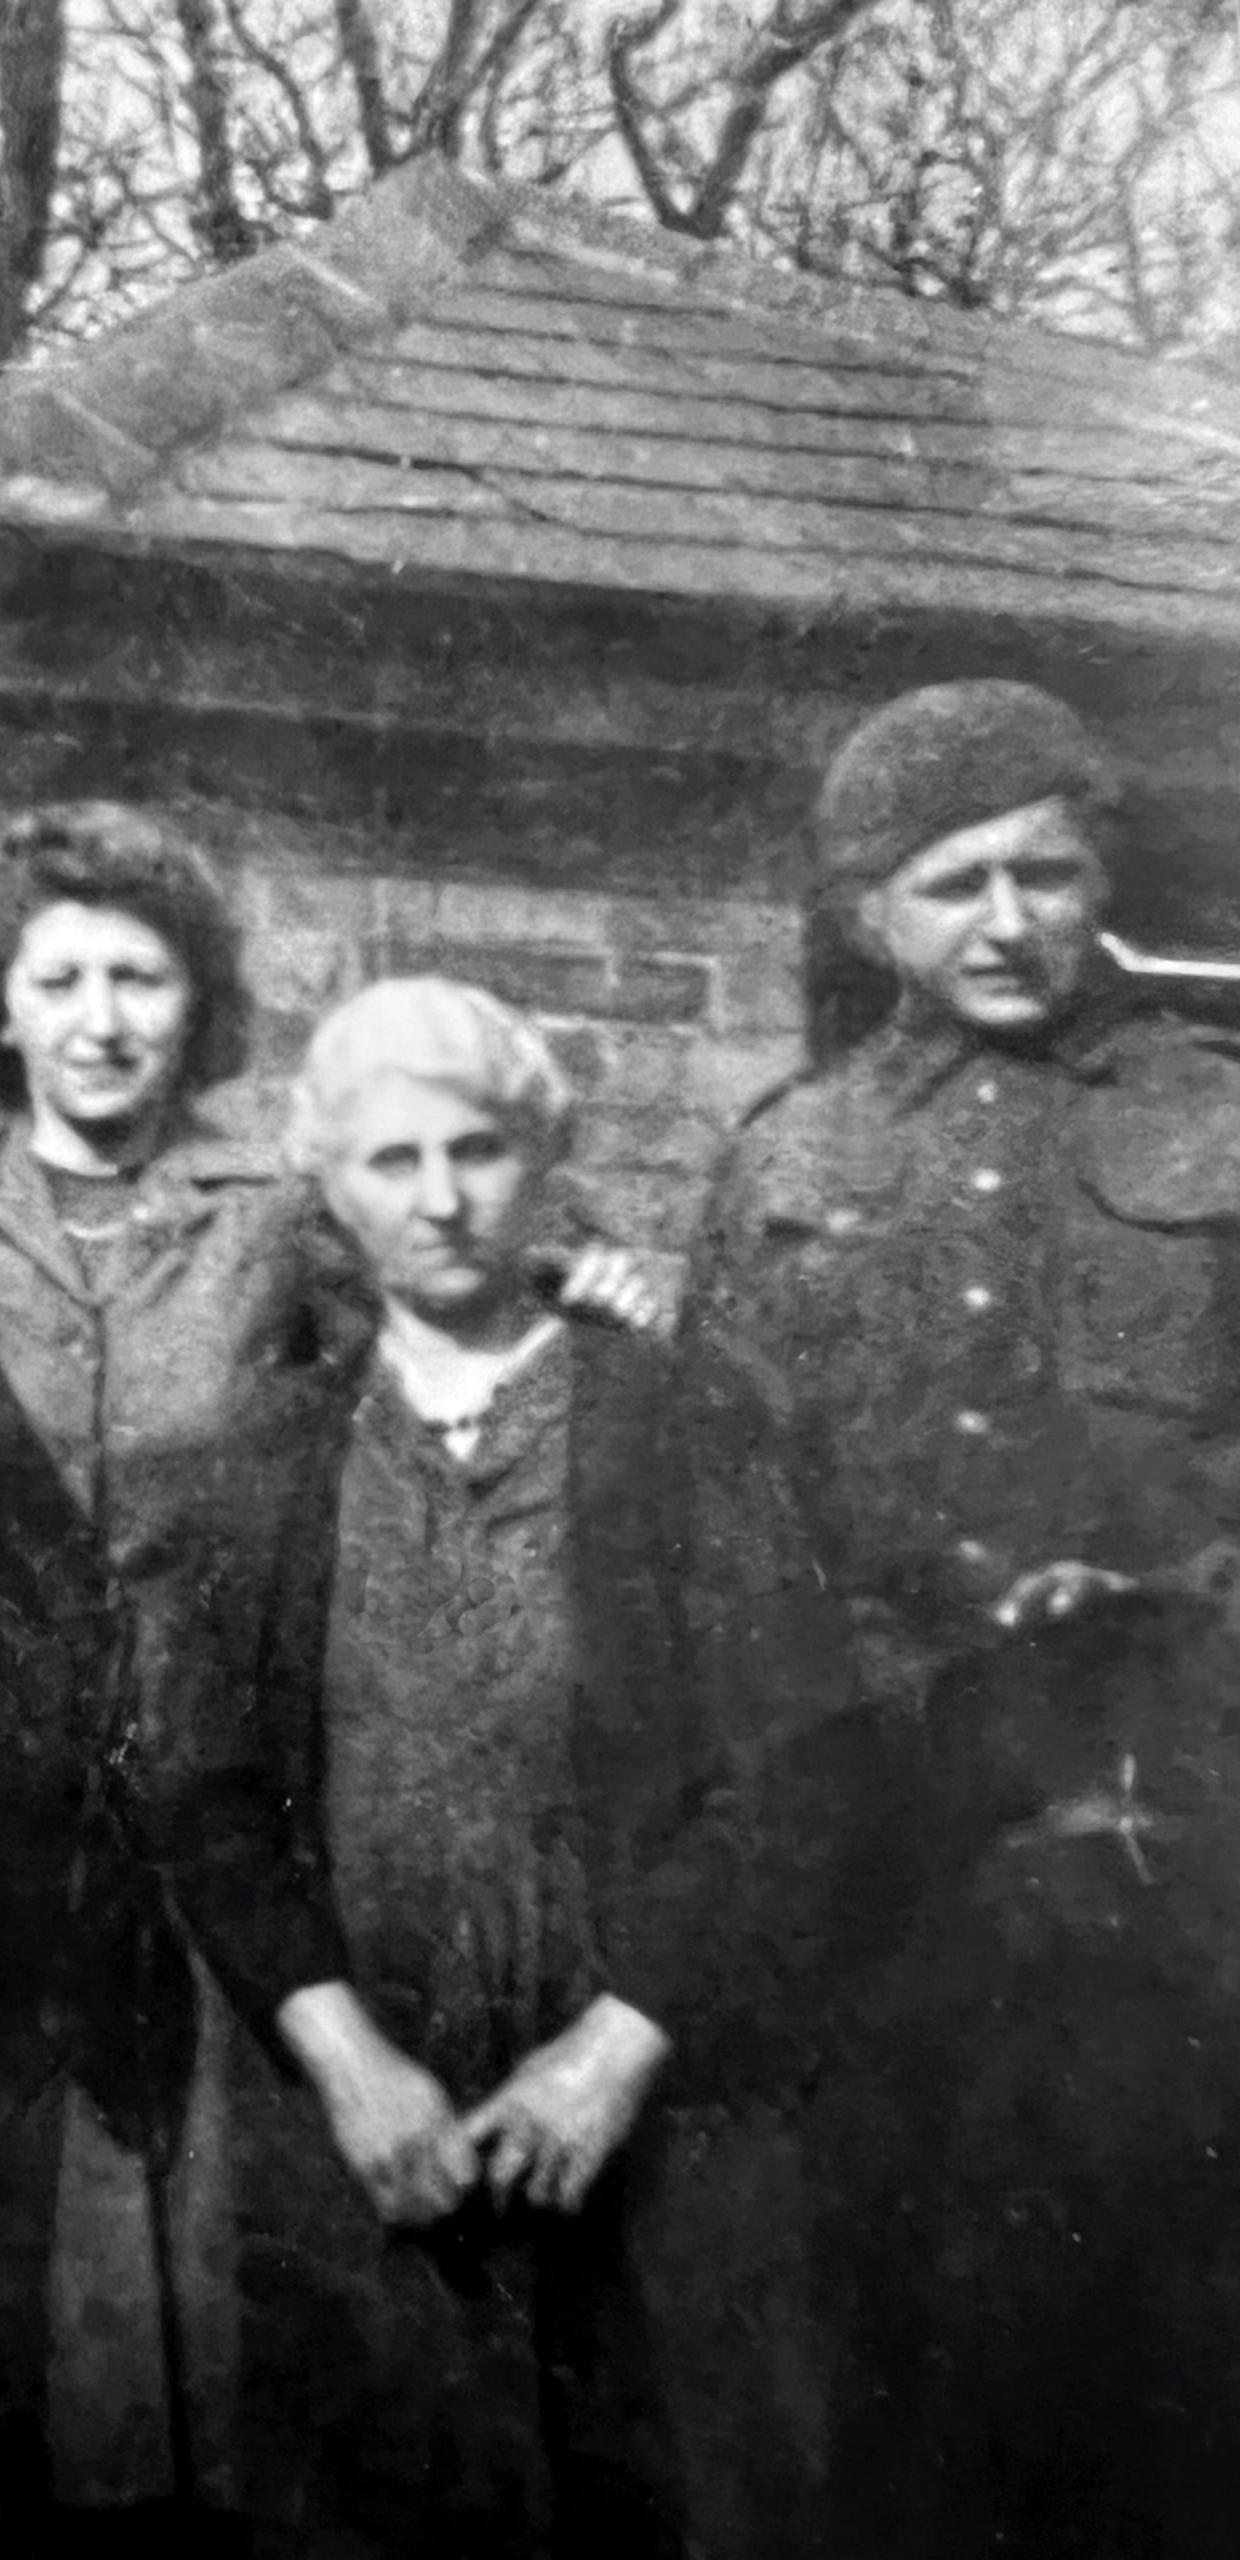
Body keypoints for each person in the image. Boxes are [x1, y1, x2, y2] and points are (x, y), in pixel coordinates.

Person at [0, 807, 665, 2552]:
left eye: (141, 979)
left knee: (241, 2334)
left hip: (224, 1831)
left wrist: (613, 1279)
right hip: (11, 1828)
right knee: (7, 2328)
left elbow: (480, 1269)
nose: (101, 1021)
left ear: (196, 1005)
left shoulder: (286, 1220)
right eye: (60, 980)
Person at [675, 679, 1240, 2558]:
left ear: (1098, 880)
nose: (1005, 922)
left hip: (1182, 1866)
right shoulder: (787, 1162)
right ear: (867, 918)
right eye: (950, 884)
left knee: (1173, 2397)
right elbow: (728, 1534)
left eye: (1042, 874)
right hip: (887, 1879)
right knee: (898, 2388)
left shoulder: (1222, 1121)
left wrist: (1172, 1617)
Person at [226, 977, 691, 2560]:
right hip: (374, 2112)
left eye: (478, 1150)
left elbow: (791, 1774)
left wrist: (615, 2050)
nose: (439, 1199)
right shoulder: (272, 1453)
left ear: (542, 1159)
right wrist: (346, 2060)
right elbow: (206, 1797)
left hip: (642, 2109)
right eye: (391, 1159)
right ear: (330, 1189)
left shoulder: (682, 1413)